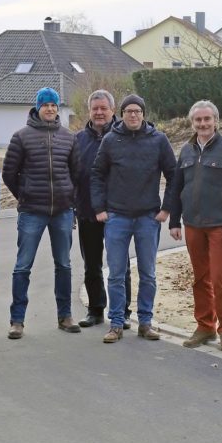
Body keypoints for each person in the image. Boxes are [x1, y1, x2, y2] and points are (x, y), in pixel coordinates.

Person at [91, 93, 176, 344]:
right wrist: (100, 207)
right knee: (116, 273)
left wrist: (166, 208)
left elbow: (174, 175)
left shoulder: (158, 140)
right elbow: (96, 174)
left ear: (143, 114)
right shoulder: (110, 140)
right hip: (117, 217)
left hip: (148, 217)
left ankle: (146, 322)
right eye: (128, 111)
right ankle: (116, 323)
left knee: (148, 273)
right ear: (122, 114)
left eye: (137, 111)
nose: (133, 115)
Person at [168, 100, 222, 352]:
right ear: (192, 123)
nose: (203, 124)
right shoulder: (186, 151)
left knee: (220, 278)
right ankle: (204, 326)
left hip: (219, 226)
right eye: (198, 120)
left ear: (215, 120)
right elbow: (176, 187)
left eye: (207, 119)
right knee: (200, 278)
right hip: (193, 225)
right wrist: (174, 220)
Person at [1, 87, 80, 339]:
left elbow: (76, 174)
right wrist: (24, 195)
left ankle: (65, 316)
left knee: (64, 265)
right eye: (45, 104)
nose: (50, 108)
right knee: (22, 266)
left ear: (58, 108)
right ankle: (17, 321)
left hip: (62, 212)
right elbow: (9, 174)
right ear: (37, 107)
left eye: (54, 105)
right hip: (32, 212)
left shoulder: (69, 137)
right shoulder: (21, 137)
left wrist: (70, 199)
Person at [73, 89, 133, 329]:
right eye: (95, 109)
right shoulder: (78, 140)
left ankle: (123, 311)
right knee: (91, 264)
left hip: (118, 211)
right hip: (88, 211)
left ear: (112, 110)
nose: (99, 113)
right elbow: (73, 174)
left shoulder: (125, 135)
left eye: (103, 108)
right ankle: (95, 309)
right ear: (89, 111)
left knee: (120, 264)